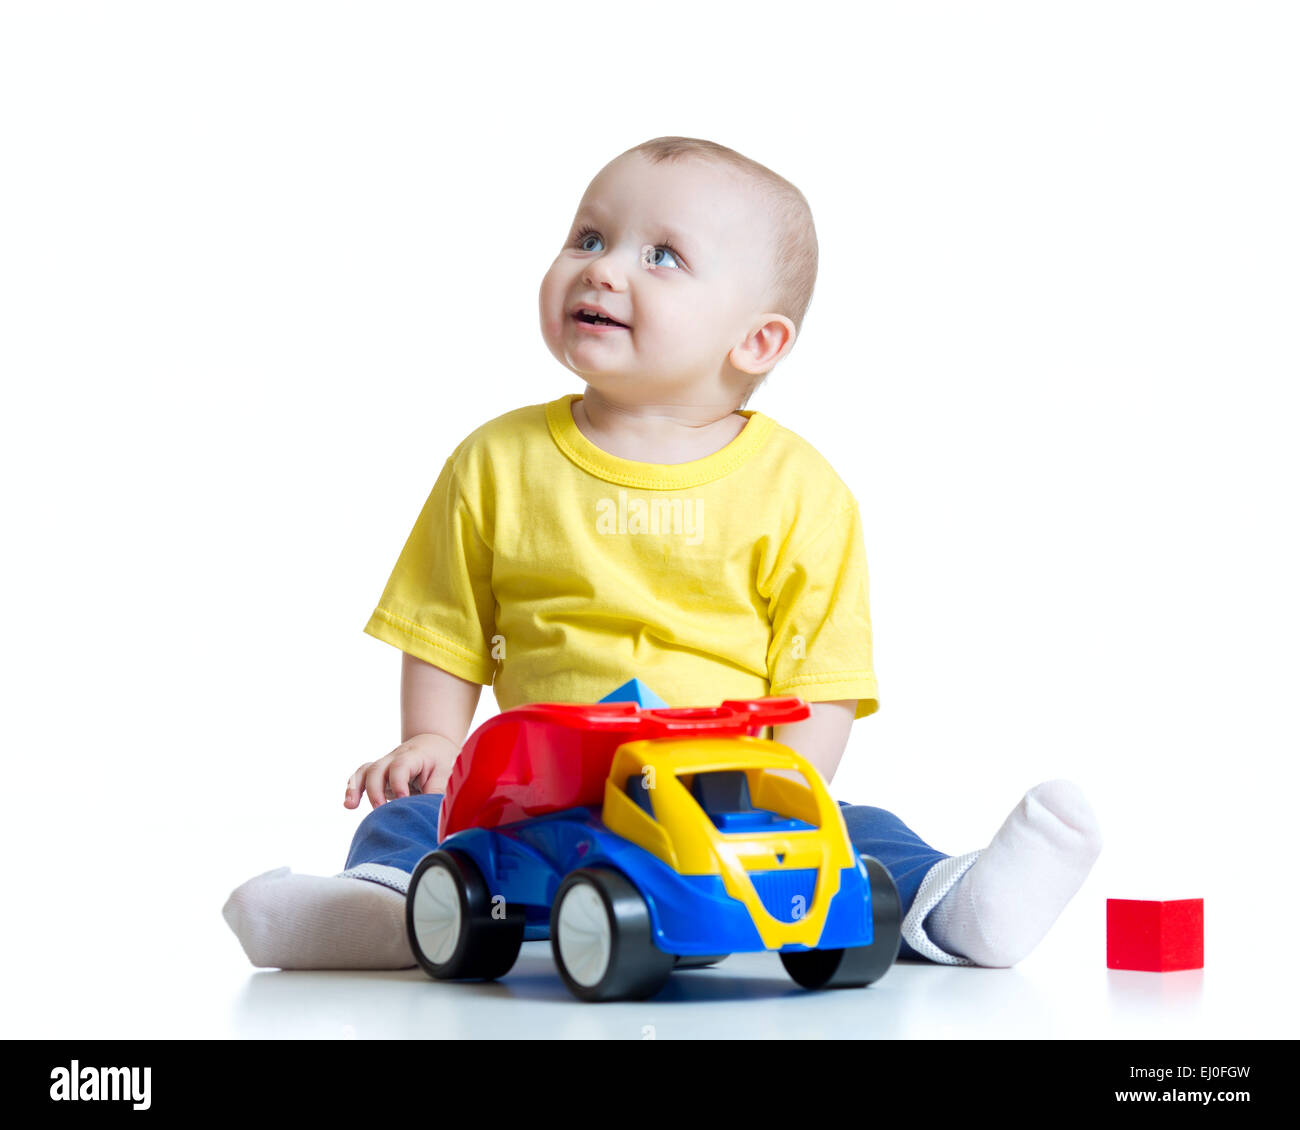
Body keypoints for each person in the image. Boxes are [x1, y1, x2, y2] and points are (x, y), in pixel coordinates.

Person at [223, 137, 1101, 971]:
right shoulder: (494, 461)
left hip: (720, 784)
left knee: (861, 830)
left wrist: (783, 790)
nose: (601, 267)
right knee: (414, 819)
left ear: (755, 340)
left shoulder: (801, 489)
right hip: (540, 787)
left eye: (663, 256)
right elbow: (445, 623)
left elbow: (819, 680)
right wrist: (431, 737)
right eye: (589, 237)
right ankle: (379, 909)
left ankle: (958, 905)